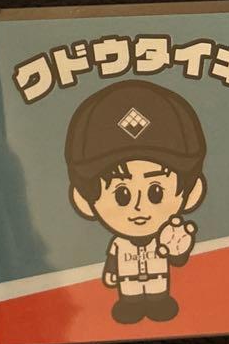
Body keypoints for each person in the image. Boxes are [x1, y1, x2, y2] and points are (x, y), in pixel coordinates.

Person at [65, 80, 206, 323]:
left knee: (158, 295)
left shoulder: (165, 237)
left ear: (192, 192)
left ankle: (158, 302)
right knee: (129, 299)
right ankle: (130, 305)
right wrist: (111, 271)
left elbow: (175, 256)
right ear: (84, 200)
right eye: (122, 195)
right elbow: (112, 259)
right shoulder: (120, 243)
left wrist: (179, 249)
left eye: (155, 192)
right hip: (127, 284)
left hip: (158, 282)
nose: (139, 207)